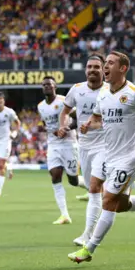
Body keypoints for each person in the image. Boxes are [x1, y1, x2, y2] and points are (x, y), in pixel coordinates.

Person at [68, 51, 135, 264]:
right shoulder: (104, 94)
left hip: (128, 159)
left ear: (123, 68)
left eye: (110, 63)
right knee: (119, 204)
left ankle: (88, 248)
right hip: (109, 156)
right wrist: (90, 124)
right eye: (105, 63)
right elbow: (99, 118)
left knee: (107, 200)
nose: (105, 66)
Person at [58, 54, 107, 245]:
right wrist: (64, 125)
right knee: (106, 195)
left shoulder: (110, 91)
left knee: (94, 189)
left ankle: (87, 235)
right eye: (89, 67)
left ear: (103, 70)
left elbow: (114, 119)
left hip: (105, 145)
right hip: (84, 146)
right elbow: (65, 111)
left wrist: (94, 126)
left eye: (96, 67)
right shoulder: (77, 90)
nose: (92, 70)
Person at [37, 76, 86, 225]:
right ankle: (64, 215)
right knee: (55, 176)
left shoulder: (64, 101)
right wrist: (49, 130)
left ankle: (95, 188)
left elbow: (79, 119)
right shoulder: (40, 106)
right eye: (44, 85)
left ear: (55, 87)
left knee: (73, 180)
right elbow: (47, 124)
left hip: (69, 144)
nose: (47, 87)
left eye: (49, 85)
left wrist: (66, 129)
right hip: (53, 145)